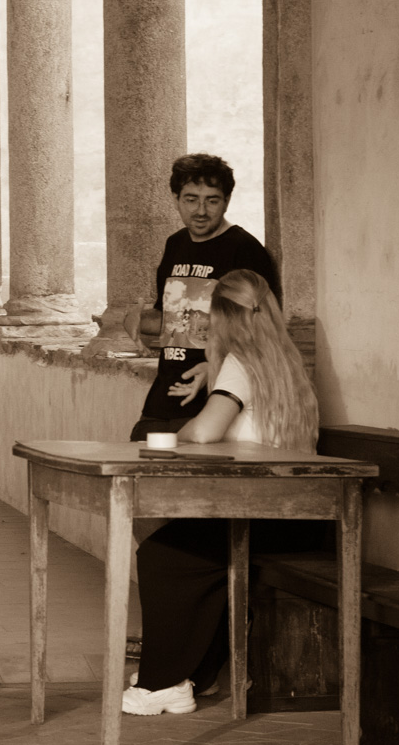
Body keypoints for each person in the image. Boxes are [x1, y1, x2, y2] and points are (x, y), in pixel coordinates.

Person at [122, 269, 321, 716]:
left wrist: (172, 434)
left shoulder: (241, 363)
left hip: (261, 518)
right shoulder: (288, 363)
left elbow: (205, 431)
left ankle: (163, 682)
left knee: (163, 555)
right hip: (298, 517)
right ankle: (198, 672)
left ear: (223, 317)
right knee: (189, 545)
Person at [125, 153, 281, 442]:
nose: (200, 211)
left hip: (214, 403)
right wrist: (135, 321)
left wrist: (216, 366)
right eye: (191, 199)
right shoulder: (175, 244)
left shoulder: (245, 250)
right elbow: (170, 318)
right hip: (162, 399)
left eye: (212, 200)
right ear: (175, 198)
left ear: (227, 201)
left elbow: (265, 328)